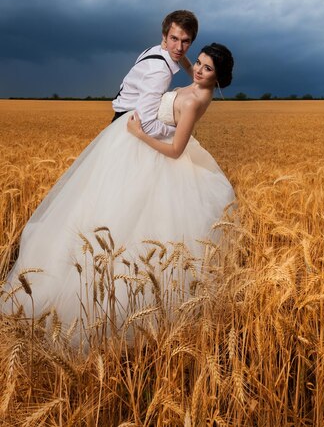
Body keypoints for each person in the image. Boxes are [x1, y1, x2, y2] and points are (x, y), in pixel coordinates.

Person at [2, 43, 235, 340]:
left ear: (217, 77)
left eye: (207, 68)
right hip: (146, 141)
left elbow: (176, 150)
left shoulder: (194, 101)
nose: (199, 70)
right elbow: (189, 68)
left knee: (129, 223)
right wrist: (178, 49)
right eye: (199, 63)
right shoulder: (199, 81)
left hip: (158, 154)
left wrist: (139, 135)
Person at [111, 9, 198, 137]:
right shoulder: (160, 73)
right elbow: (146, 125)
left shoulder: (154, 50)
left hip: (120, 119)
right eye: (174, 38)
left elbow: (179, 55)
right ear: (164, 37)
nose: (179, 48)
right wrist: (180, 130)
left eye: (185, 41)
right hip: (130, 127)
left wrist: (193, 73)